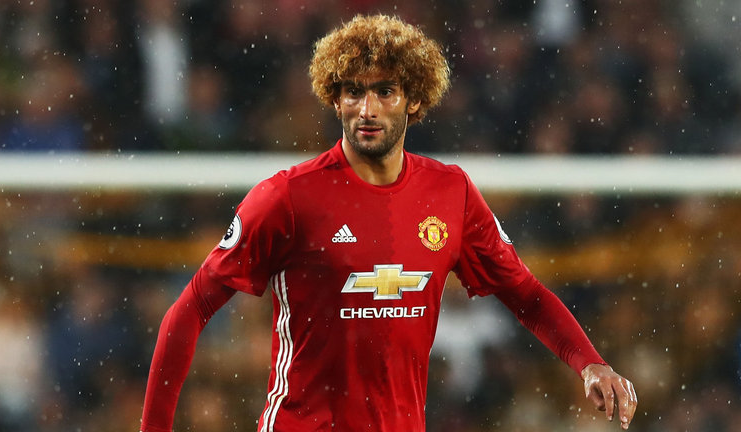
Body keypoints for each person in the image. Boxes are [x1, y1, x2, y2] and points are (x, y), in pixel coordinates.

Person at [139, 14, 637, 432]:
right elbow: (191, 306)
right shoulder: (286, 196)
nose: (367, 109)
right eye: (353, 91)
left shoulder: (452, 193)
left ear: (414, 99)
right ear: (334, 98)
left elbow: (525, 294)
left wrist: (589, 362)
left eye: (385, 91)